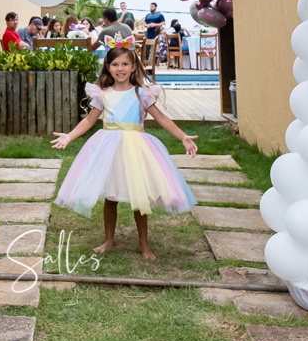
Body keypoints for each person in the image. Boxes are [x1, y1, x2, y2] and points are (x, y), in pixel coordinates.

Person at [50, 47, 198, 258]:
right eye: (115, 64)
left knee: (139, 197)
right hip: (109, 149)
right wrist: (69, 136)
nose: (120, 68)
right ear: (108, 68)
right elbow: (90, 120)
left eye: (125, 64)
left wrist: (182, 136)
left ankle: (144, 244)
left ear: (133, 67)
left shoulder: (142, 93)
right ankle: (109, 240)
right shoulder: (103, 94)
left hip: (136, 148)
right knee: (111, 197)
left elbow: (162, 118)